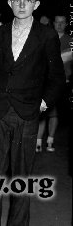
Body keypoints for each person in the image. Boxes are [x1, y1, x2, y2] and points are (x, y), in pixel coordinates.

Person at [0, 0, 65, 226]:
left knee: (21, 177)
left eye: (27, 0)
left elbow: (57, 77)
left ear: (36, 4)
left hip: (27, 112)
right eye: (17, 0)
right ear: (10, 3)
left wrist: (43, 104)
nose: (22, 5)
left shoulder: (47, 35)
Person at [37, 14, 72, 152]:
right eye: (57, 22)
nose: (59, 25)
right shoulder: (46, 37)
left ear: (67, 24)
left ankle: (50, 140)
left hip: (64, 82)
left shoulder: (70, 40)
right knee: (43, 110)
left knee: (56, 113)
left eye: (62, 22)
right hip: (46, 82)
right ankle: (38, 141)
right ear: (53, 23)